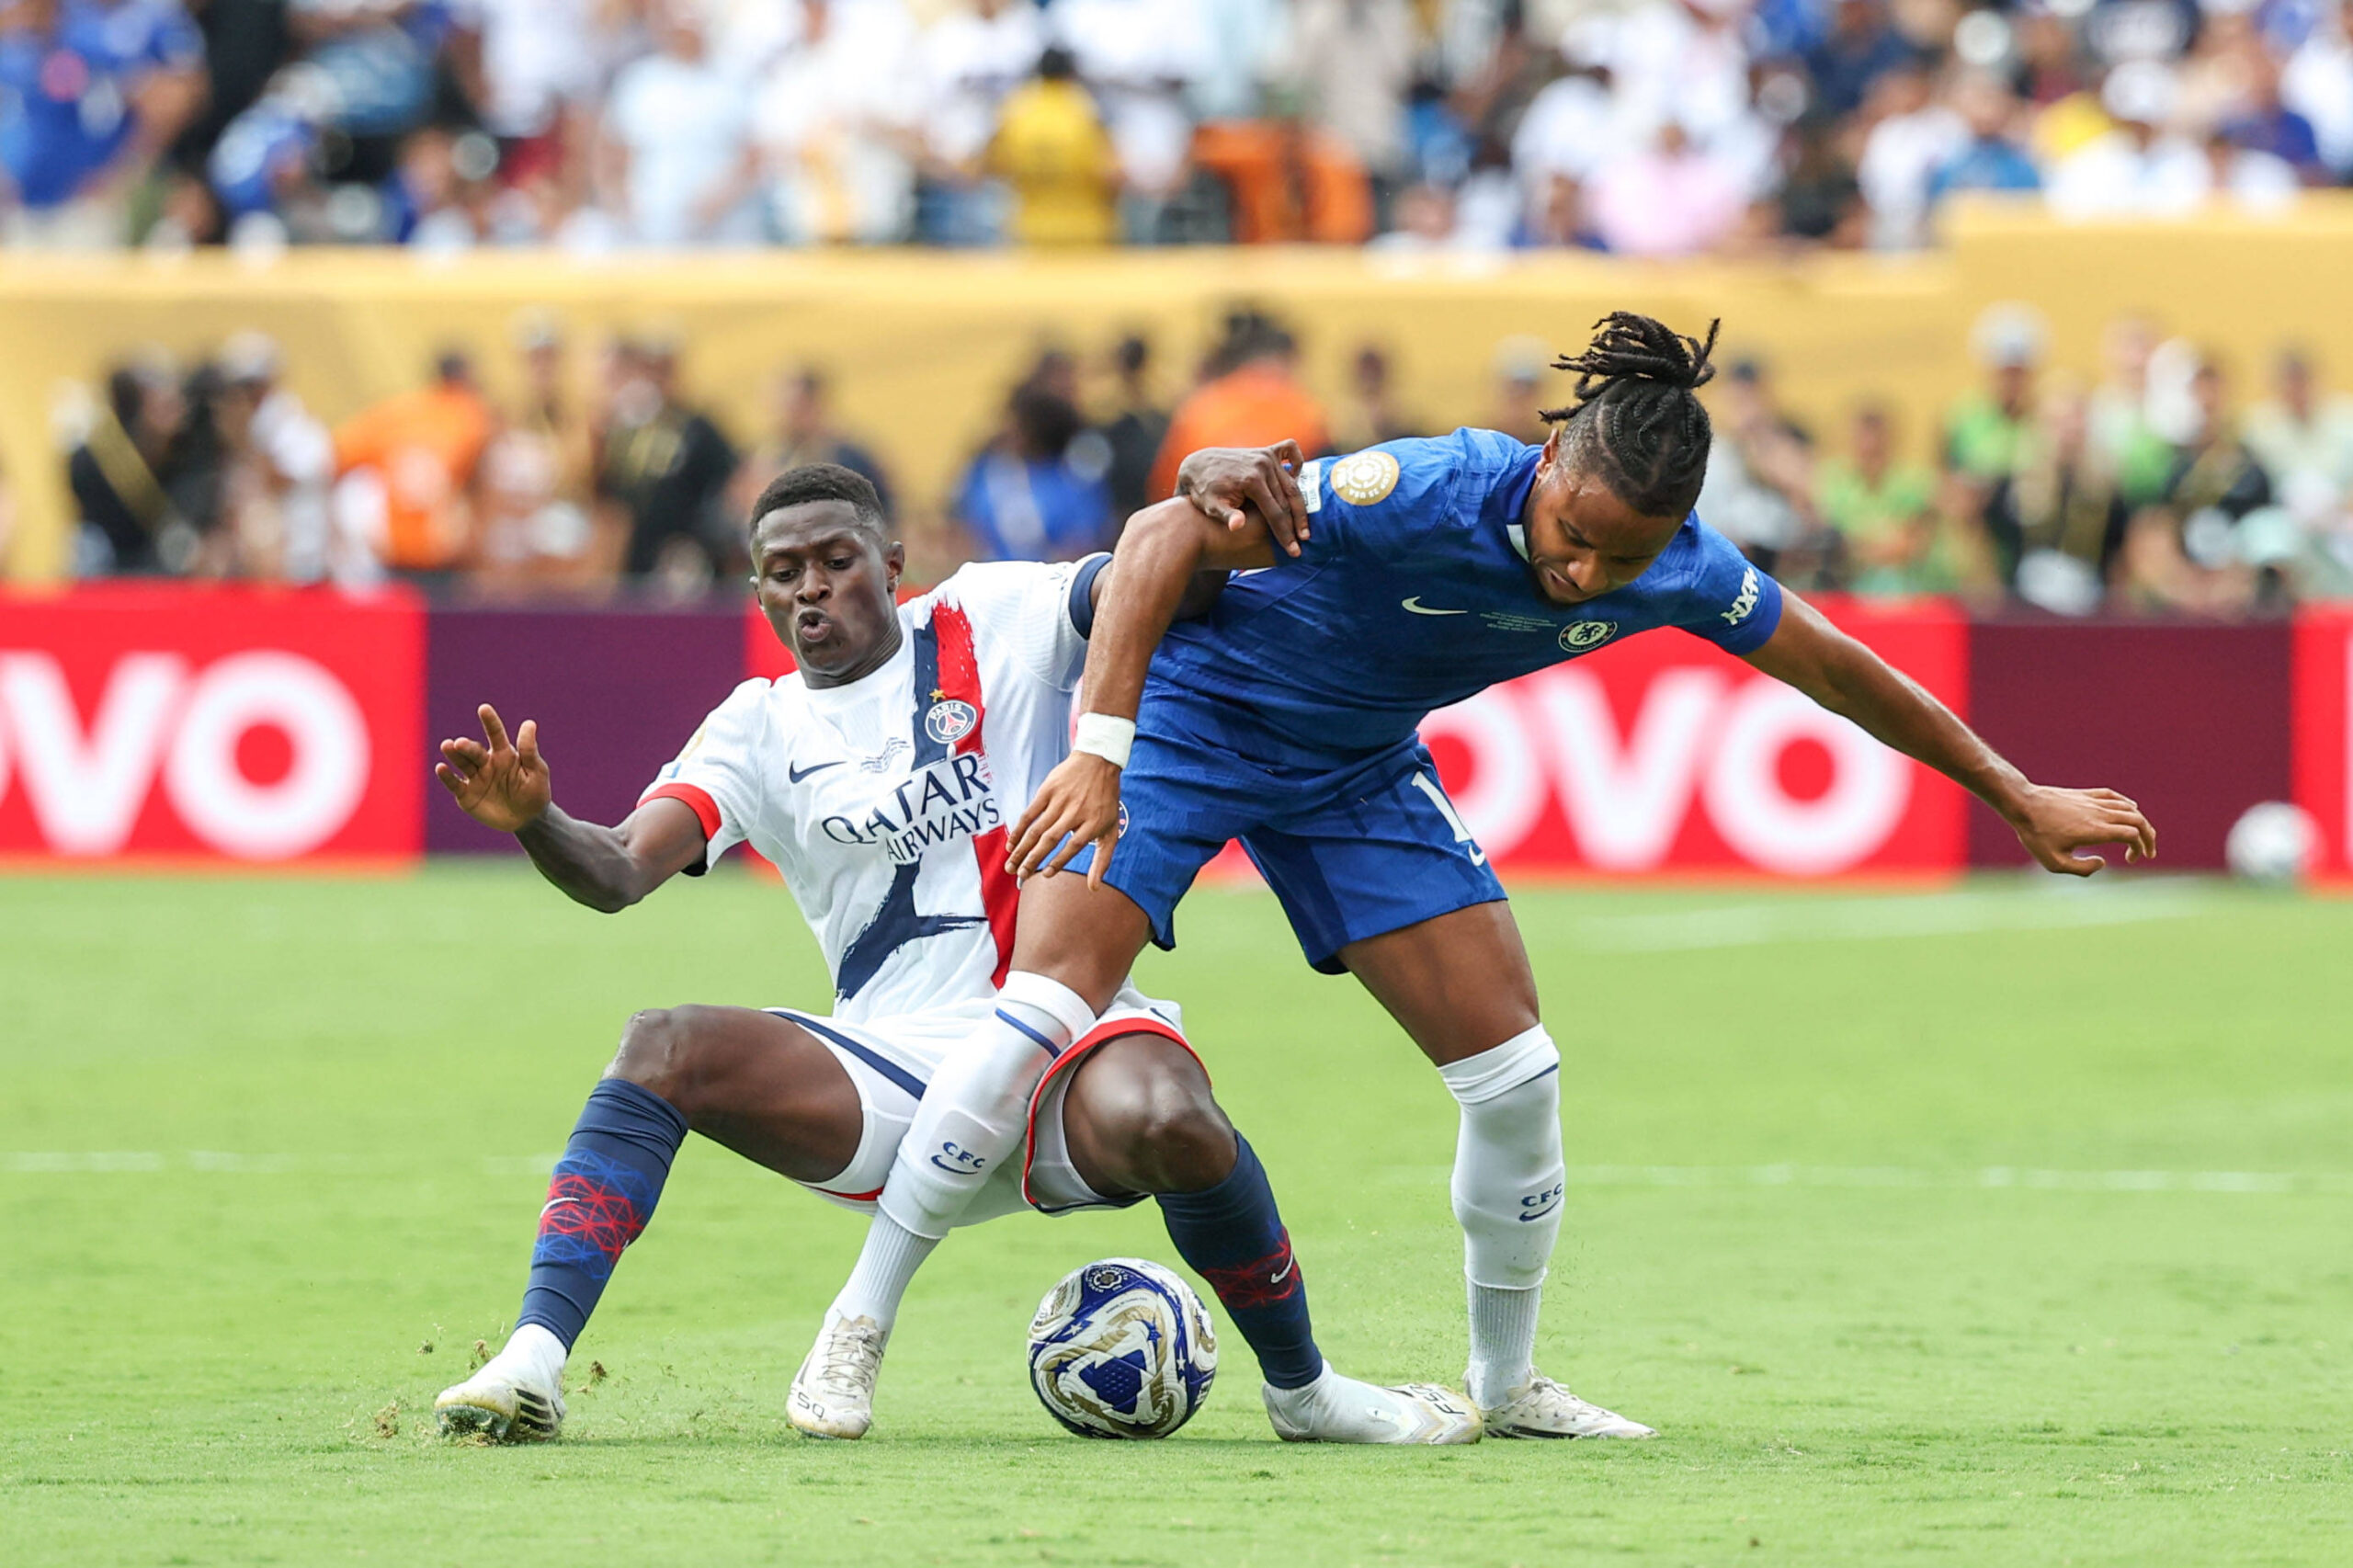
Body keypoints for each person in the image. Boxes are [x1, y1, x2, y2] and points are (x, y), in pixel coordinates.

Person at [813, 312, 2159, 1442]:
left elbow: (1840, 668)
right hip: (1193, 720)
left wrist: (2015, 793)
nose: (1588, 570)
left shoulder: (1678, 566)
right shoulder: (1420, 489)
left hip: (1351, 768)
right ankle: (857, 1325)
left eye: (1621, 562)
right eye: (1577, 533)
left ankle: (1506, 1385)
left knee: (1517, 1073)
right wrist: (1097, 751)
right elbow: (1167, 537)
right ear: (1550, 461)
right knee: (1044, 1005)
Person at [428, 463, 1476, 1448]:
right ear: (758, 594)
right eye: (783, 572)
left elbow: (1172, 591)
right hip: (888, 1075)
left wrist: (1203, 494)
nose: (811, 588)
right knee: (660, 1045)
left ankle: (1307, 1391)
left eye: (835, 559)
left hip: (1067, 1040)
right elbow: (616, 869)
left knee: (1174, 1117)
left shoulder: (992, 615)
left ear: (891, 562)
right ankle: (531, 1360)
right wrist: (535, 820)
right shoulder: (755, 725)